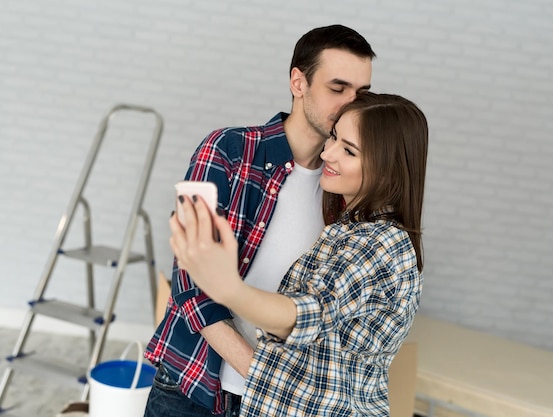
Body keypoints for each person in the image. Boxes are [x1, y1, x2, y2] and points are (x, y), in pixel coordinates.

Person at [144, 25, 375, 417]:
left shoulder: (349, 189)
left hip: (275, 404)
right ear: (297, 82)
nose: (352, 105)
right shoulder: (227, 149)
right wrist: (260, 375)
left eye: (362, 94)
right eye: (338, 89)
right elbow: (189, 279)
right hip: (194, 386)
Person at [172, 91, 428, 416]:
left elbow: (306, 315)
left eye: (348, 151)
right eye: (334, 137)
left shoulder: (380, 243)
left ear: (386, 172)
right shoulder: (347, 228)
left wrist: (229, 289)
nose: (328, 153)